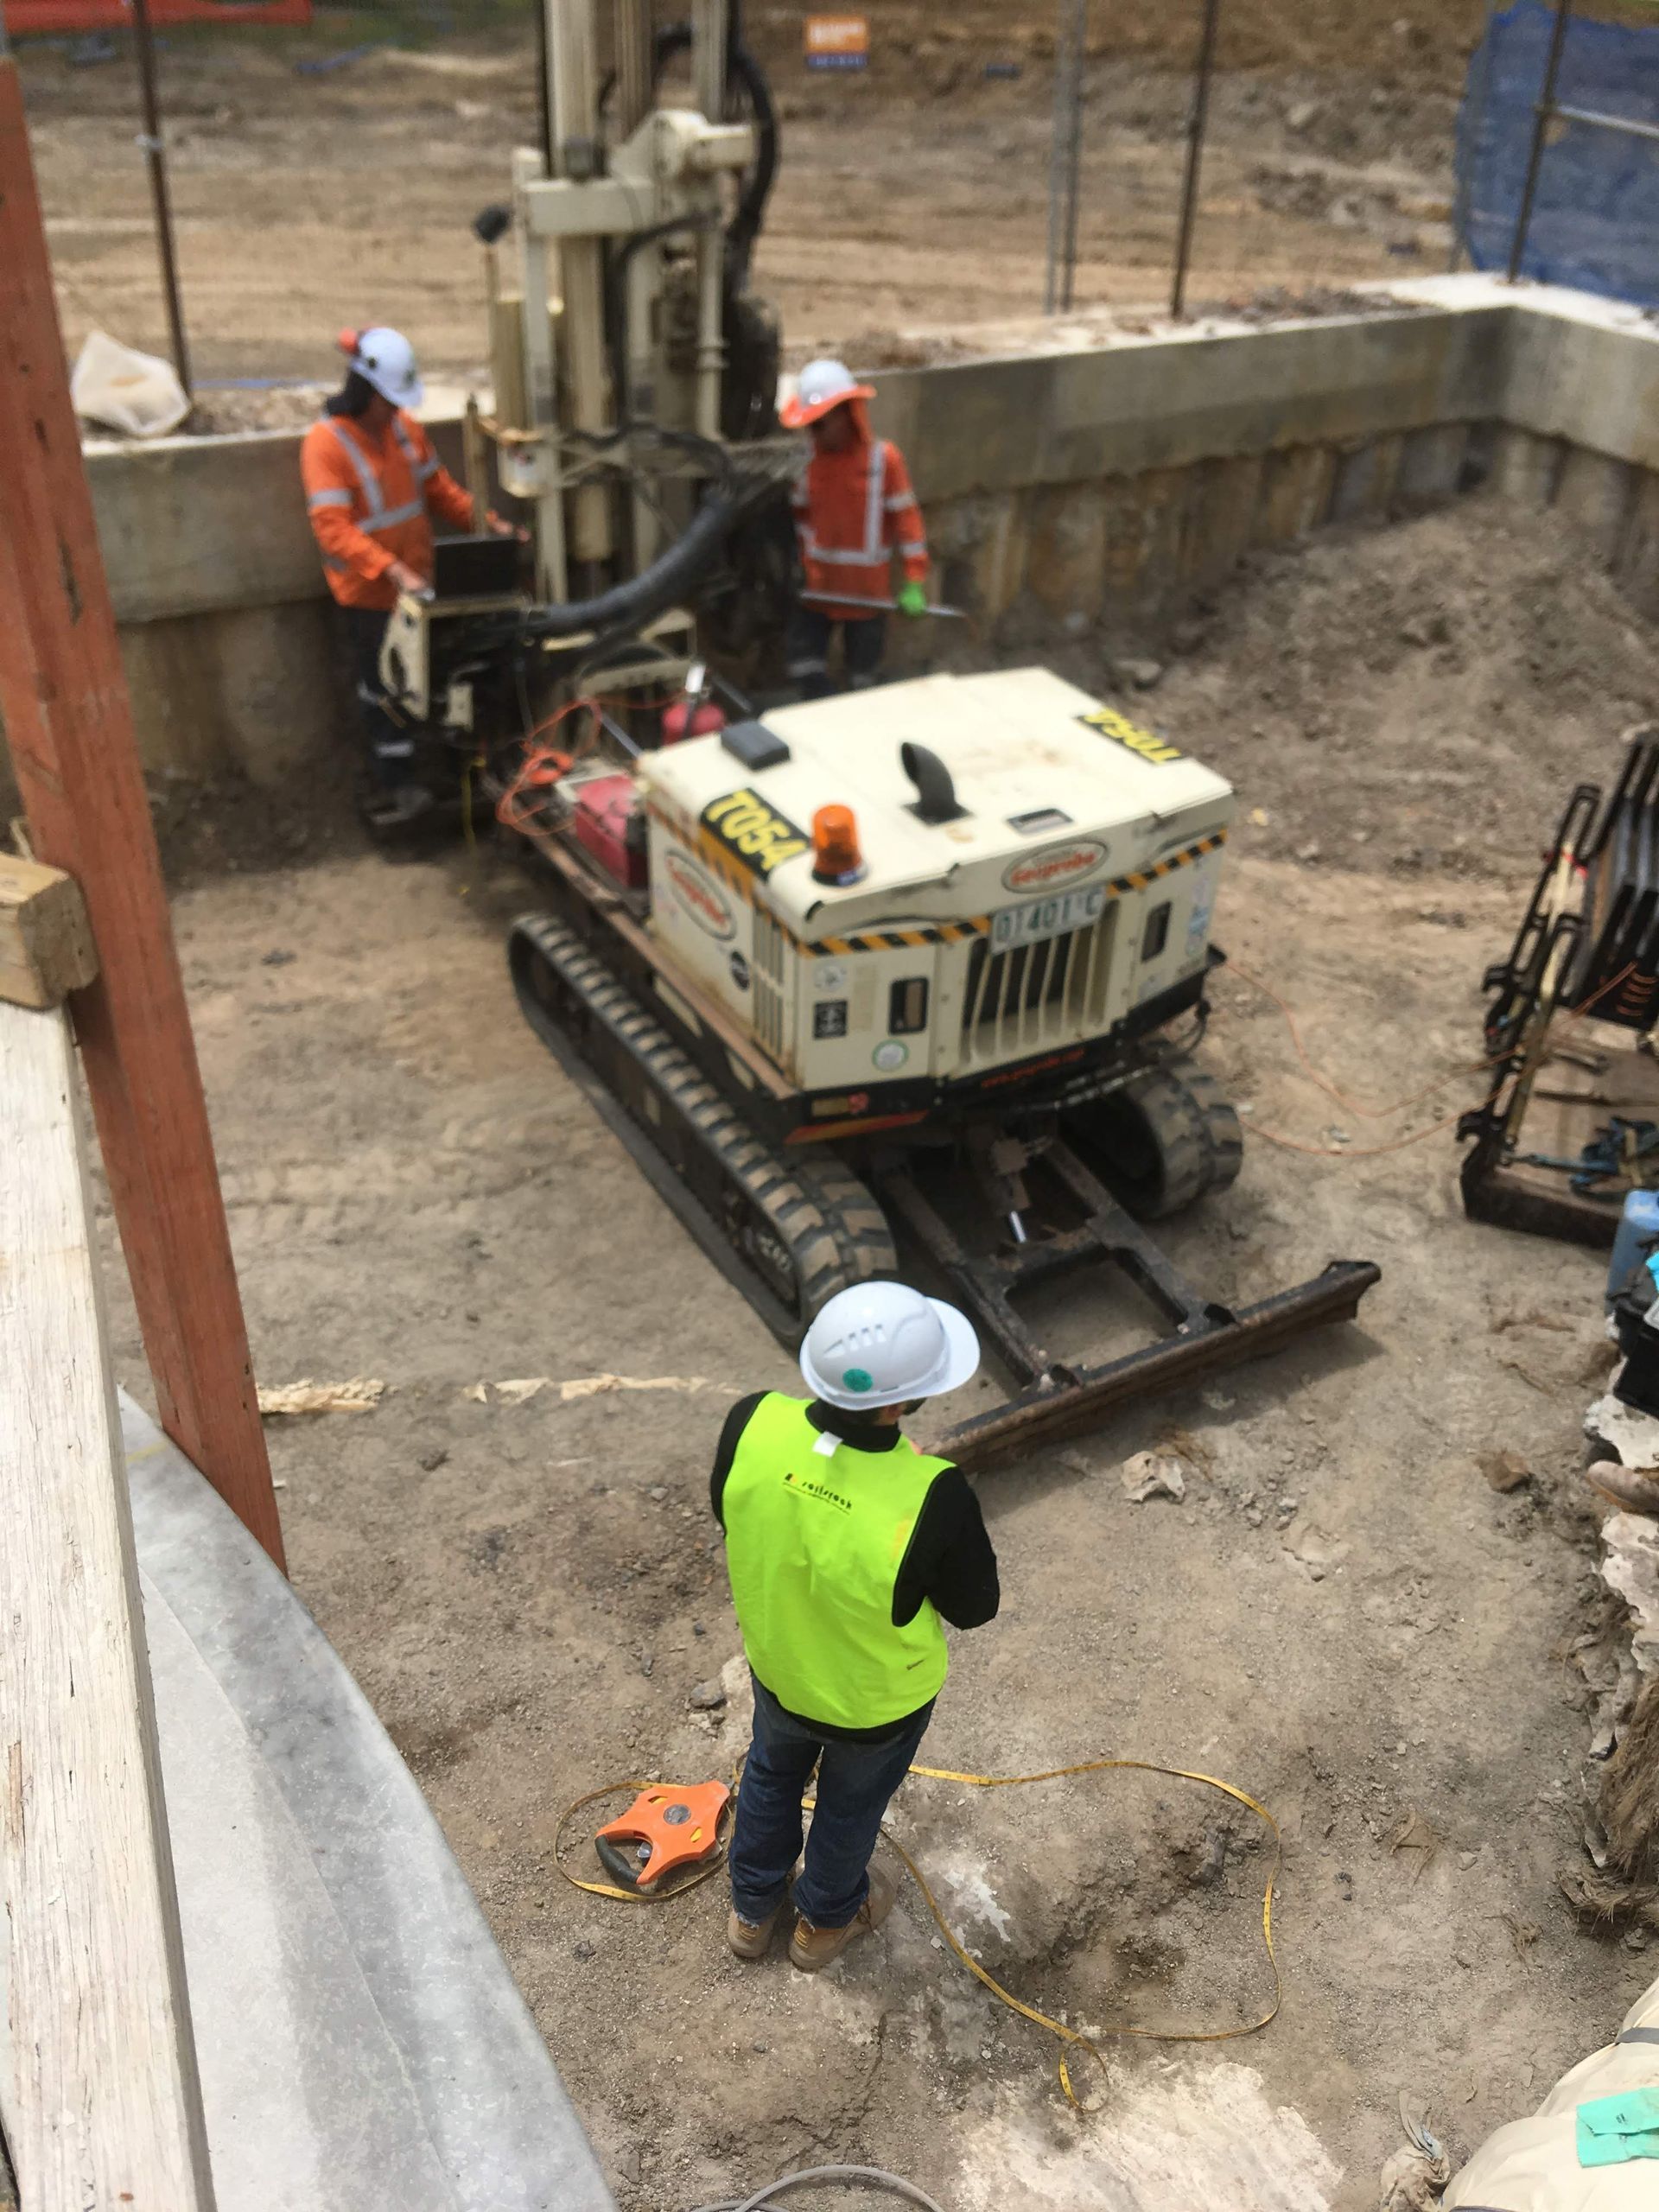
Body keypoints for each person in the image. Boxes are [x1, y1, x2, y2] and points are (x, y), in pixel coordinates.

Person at [710, 1281, 999, 1972]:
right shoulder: (933, 1494)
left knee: (770, 1776)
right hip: (875, 1706)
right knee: (848, 1808)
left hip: (781, 1671)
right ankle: (824, 1926)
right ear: (901, 1403)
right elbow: (973, 1607)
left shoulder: (753, 1421)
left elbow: (734, 1516)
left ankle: (751, 1912)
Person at [299, 326, 513, 830]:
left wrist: (490, 524)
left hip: (420, 589)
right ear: (365, 392)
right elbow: (333, 529)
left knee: (441, 681)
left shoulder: (404, 429)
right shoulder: (324, 445)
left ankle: (450, 770)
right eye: (388, 401)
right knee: (384, 692)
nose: (395, 410)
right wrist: (392, 571)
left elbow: (441, 492)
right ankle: (399, 784)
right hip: (370, 597)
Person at [779, 359, 931, 701]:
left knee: (863, 684)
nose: (813, 433)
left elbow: (907, 521)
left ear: (849, 413)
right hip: (816, 593)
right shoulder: (806, 464)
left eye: (820, 424)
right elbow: (796, 520)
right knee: (804, 669)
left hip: (866, 597)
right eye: (810, 426)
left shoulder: (883, 461)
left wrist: (914, 581)